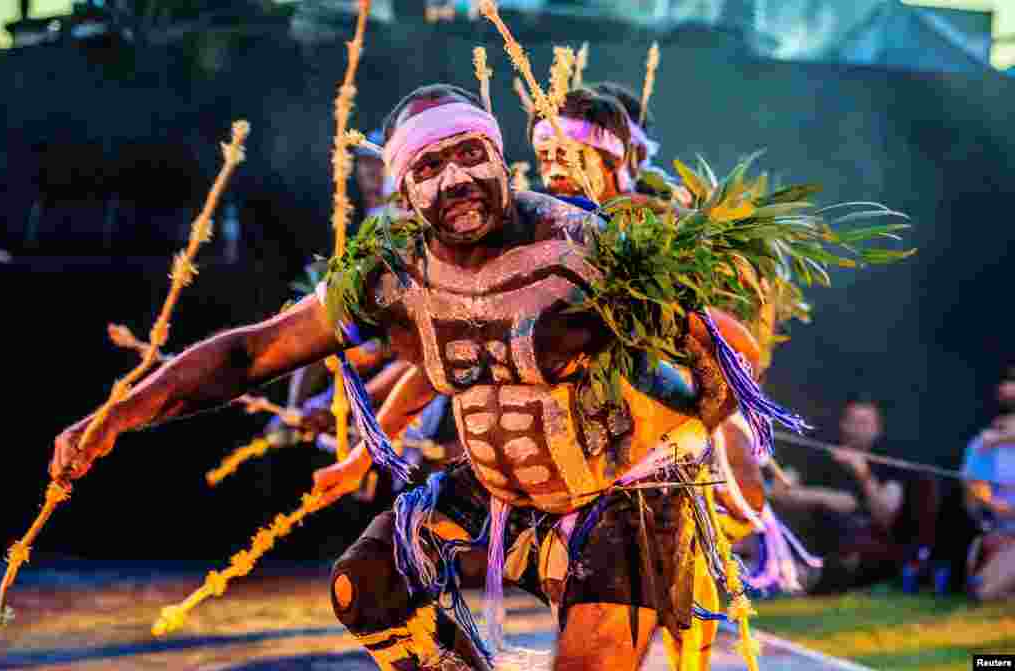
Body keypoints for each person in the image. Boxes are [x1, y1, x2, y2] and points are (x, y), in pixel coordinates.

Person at [51, 82, 896, 671]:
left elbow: (729, 350)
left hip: (622, 501)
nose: (456, 178)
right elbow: (248, 353)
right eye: (429, 165)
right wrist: (118, 416)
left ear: (499, 158)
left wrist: (660, 354)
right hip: (499, 494)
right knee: (362, 587)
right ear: (403, 187)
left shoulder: (588, 241)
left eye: (471, 155)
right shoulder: (388, 276)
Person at [809, 397, 939, 593]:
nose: (857, 429)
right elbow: (784, 493)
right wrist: (826, 497)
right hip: (821, 544)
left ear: (877, 428)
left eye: (865, 423)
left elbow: (885, 513)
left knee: (854, 549)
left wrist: (863, 473)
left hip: (873, 550)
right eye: (853, 422)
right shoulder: (824, 456)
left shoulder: (888, 460)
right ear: (843, 424)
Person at [962, 373, 1015, 601]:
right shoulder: (981, 446)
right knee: (984, 589)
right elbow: (973, 491)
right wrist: (992, 503)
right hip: (999, 532)